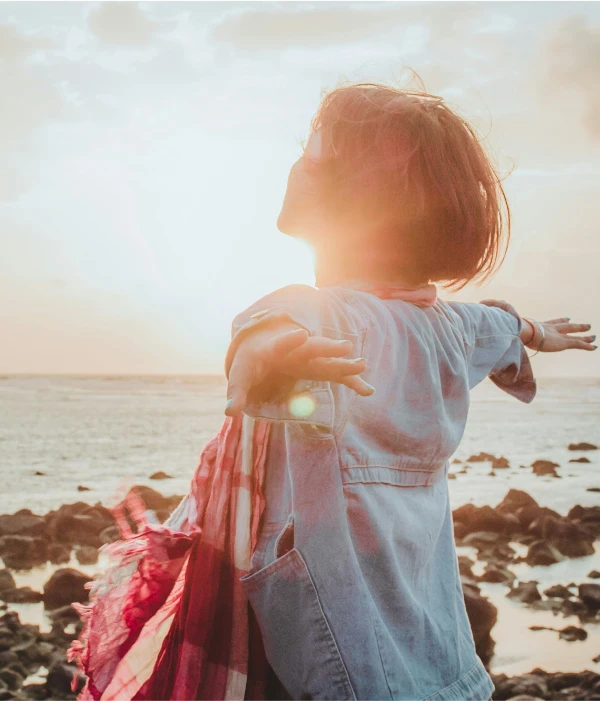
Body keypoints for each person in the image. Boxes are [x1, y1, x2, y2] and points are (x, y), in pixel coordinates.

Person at [72, 83, 595, 701]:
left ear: (366, 200)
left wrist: (269, 360)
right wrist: (536, 332)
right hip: (433, 655)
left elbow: (265, 335)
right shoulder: (446, 327)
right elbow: (495, 324)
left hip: (330, 658)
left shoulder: (317, 313)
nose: (297, 163)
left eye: (316, 154)